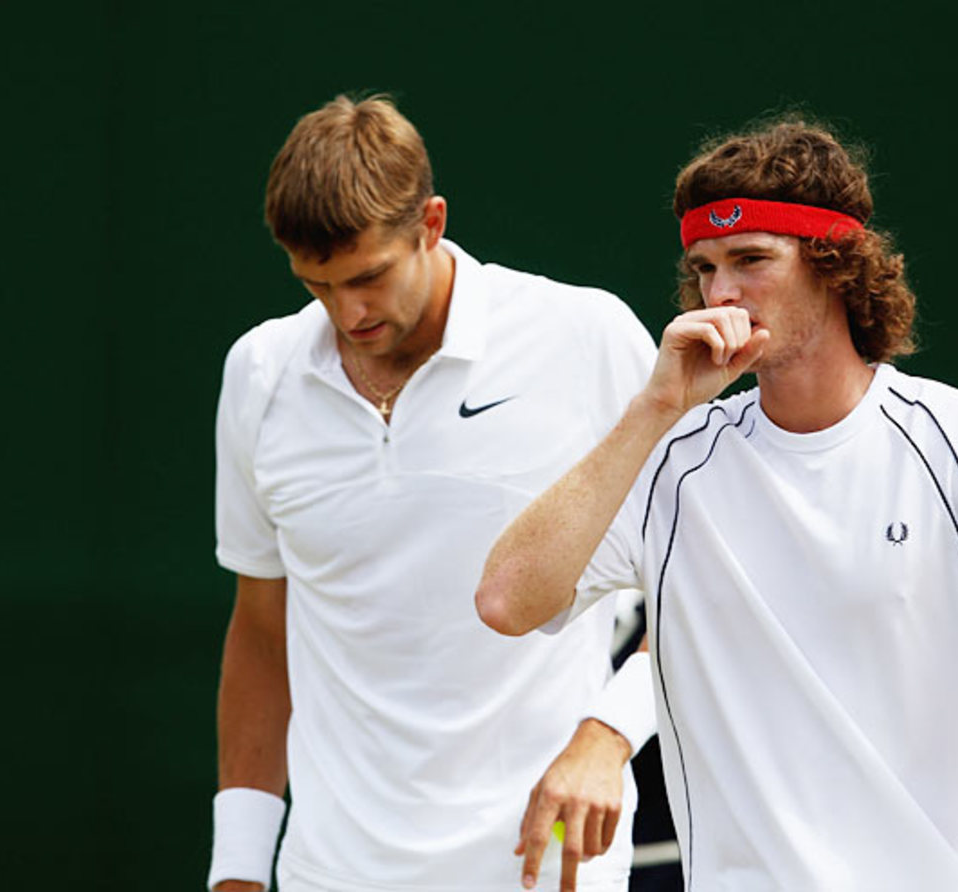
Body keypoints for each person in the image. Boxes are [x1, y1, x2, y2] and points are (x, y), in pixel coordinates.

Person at [476, 117, 958, 891]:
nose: (721, 292)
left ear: (833, 265)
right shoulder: (668, 461)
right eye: (704, 268)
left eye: (752, 260)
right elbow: (505, 600)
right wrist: (654, 410)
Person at [209, 94, 659, 892]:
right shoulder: (258, 373)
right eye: (316, 286)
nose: (348, 312)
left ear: (432, 223)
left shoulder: (586, 337)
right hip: (330, 871)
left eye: (369, 277)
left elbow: (704, 591)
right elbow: (263, 630)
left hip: (545, 869)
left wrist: (609, 734)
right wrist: (238, 870)